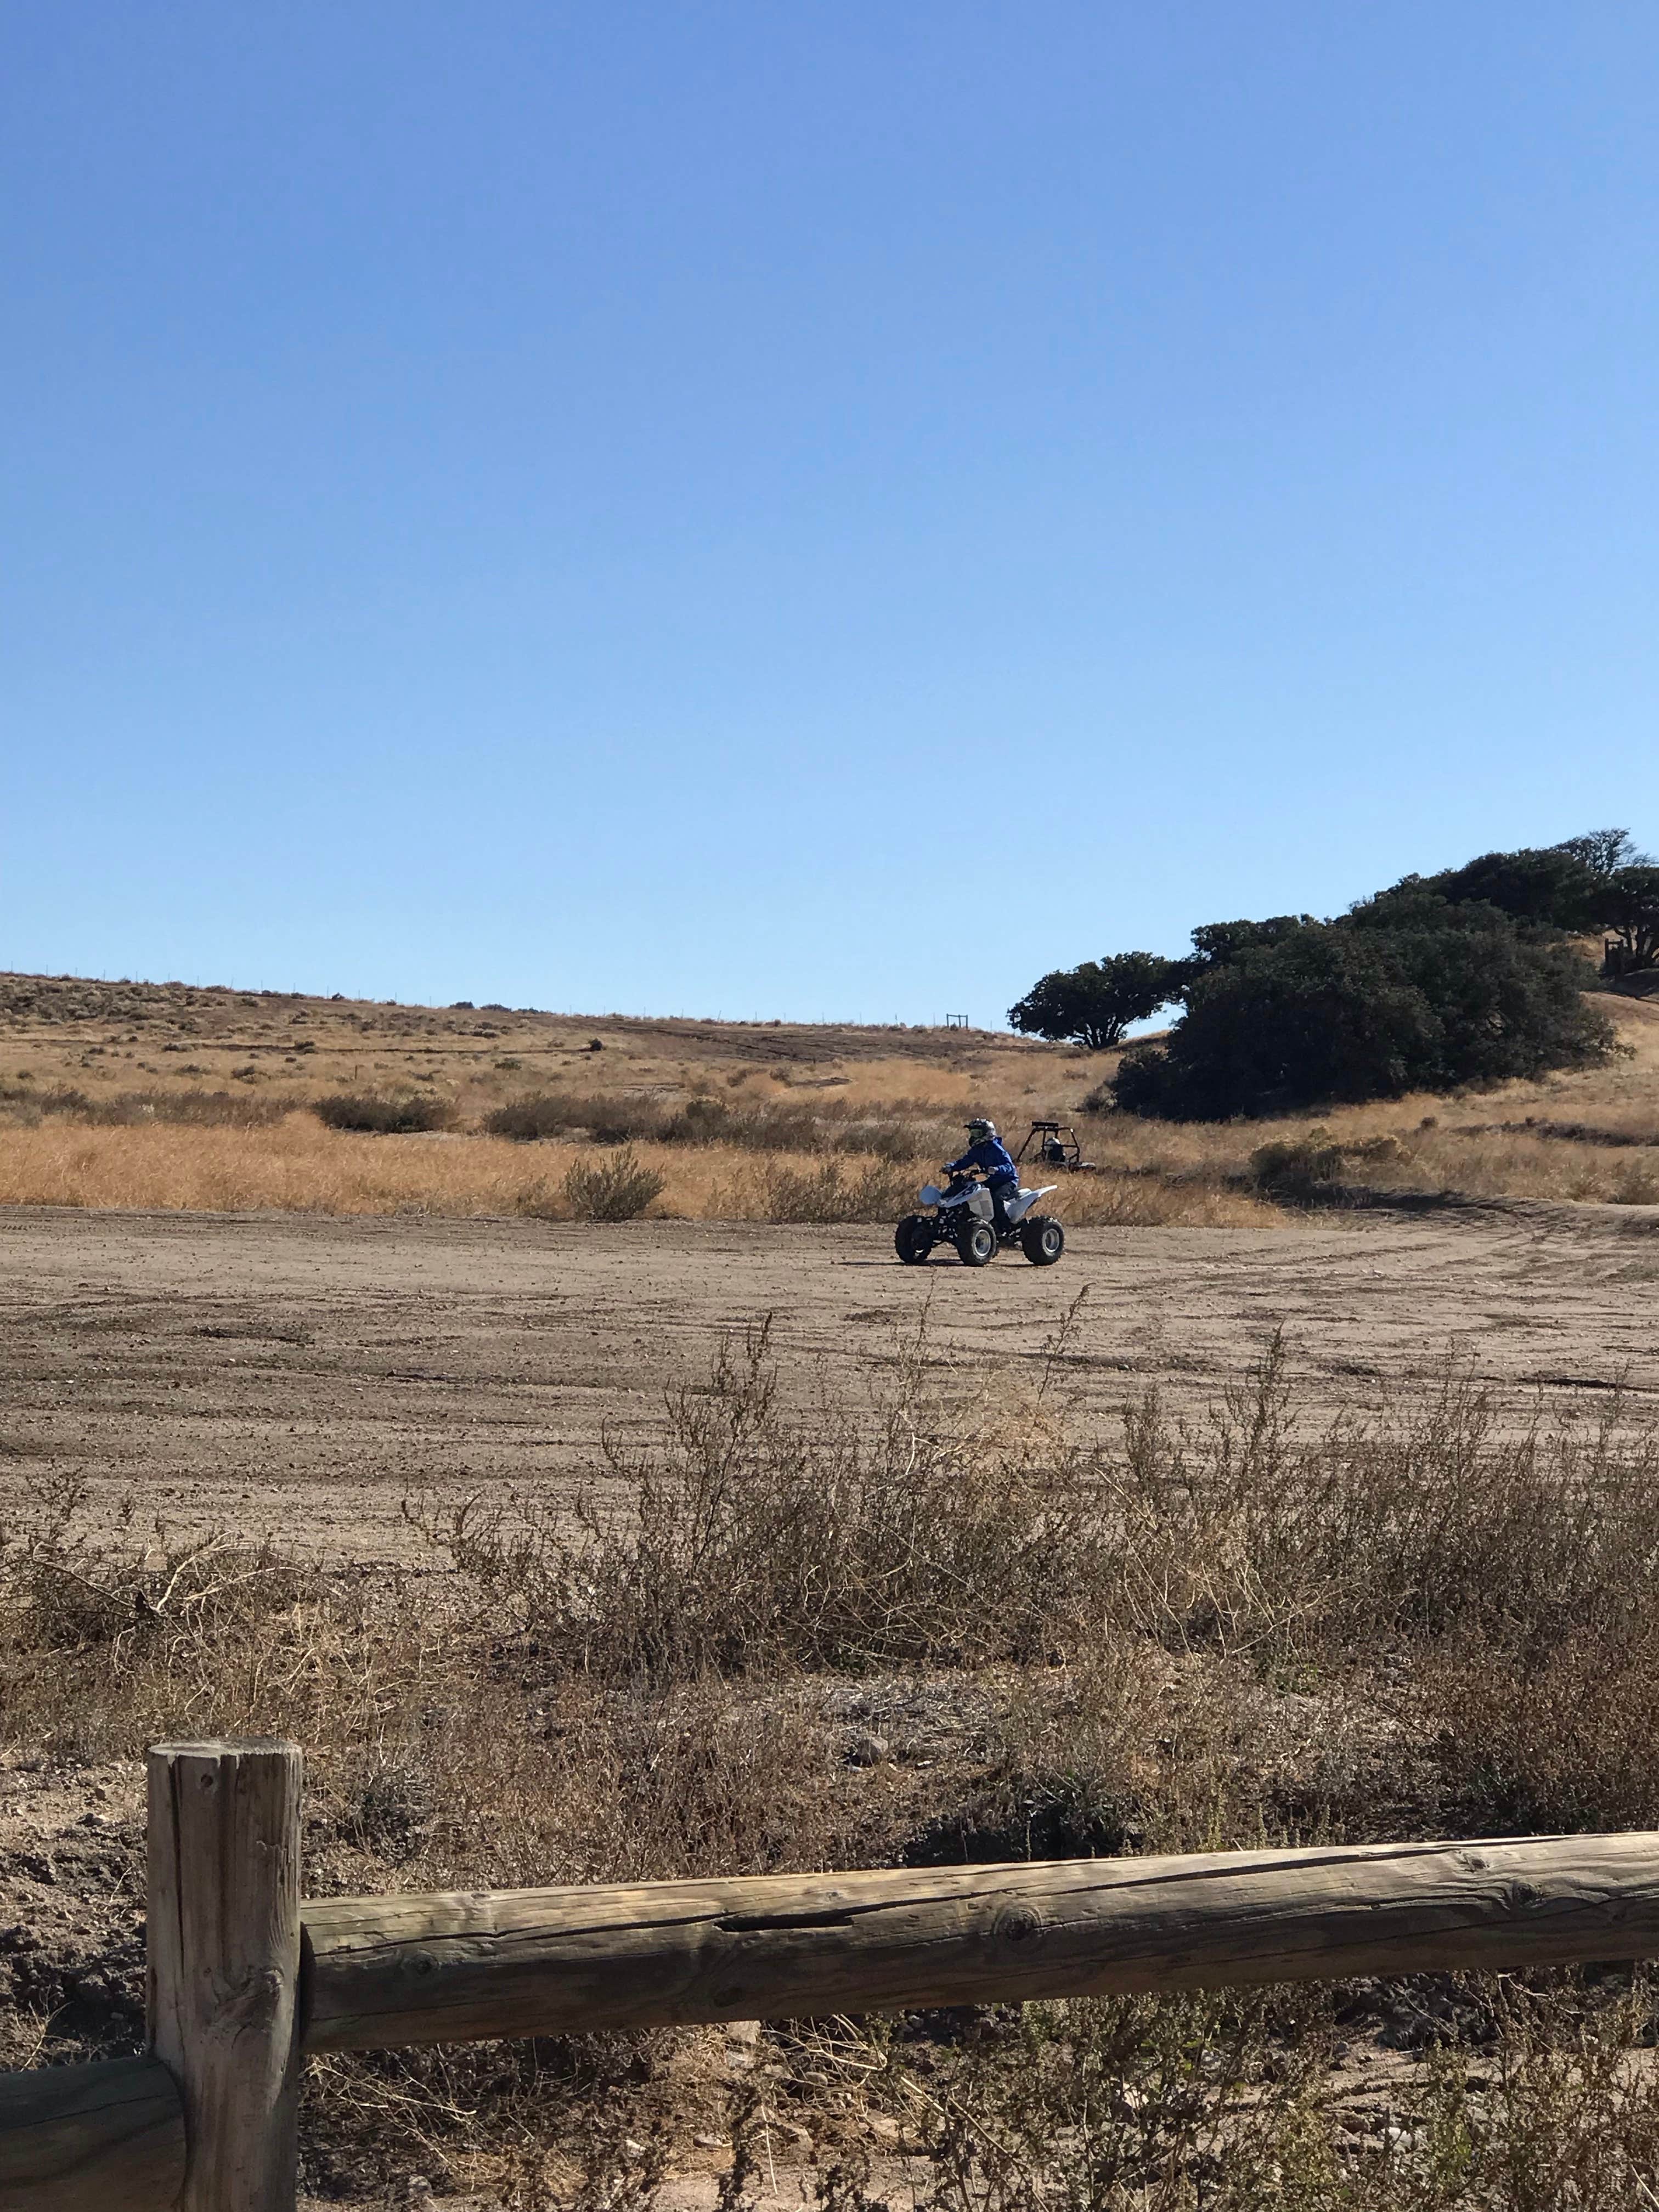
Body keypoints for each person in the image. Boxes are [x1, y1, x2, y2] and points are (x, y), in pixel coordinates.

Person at [946, 1117, 1022, 1231]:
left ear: (987, 1133)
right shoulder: (977, 1150)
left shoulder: (997, 1149)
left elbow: (1009, 1167)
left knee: (997, 1198)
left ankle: (1005, 1227)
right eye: (972, 1133)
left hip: (1007, 1181)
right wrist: (951, 1167)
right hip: (989, 1180)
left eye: (977, 1133)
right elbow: (965, 1162)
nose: (973, 1136)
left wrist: (997, 1169)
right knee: (971, 1194)